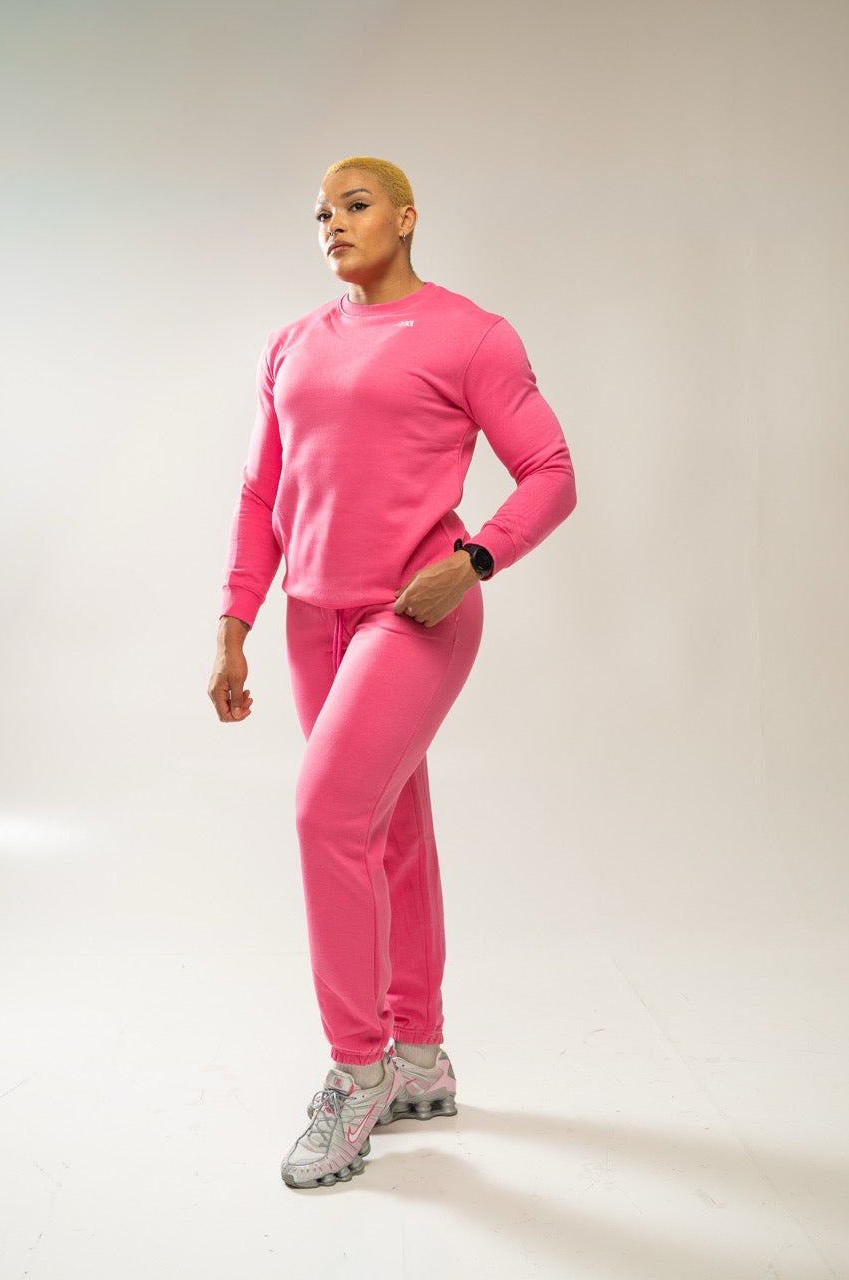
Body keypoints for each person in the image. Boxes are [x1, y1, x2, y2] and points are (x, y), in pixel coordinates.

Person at [208, 156, 576, 1189]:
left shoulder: (470, 335)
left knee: (325, 811)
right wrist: (235, 618)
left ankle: (356, 1069)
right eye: (321, 212)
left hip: (414, 614)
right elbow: (260, 492)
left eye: (356, 203)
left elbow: (550, 472)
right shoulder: (291, 344)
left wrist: (474, 560)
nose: (333, 222)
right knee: (385, 826)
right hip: (310, 617)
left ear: (407, 217)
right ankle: (418, 1054)